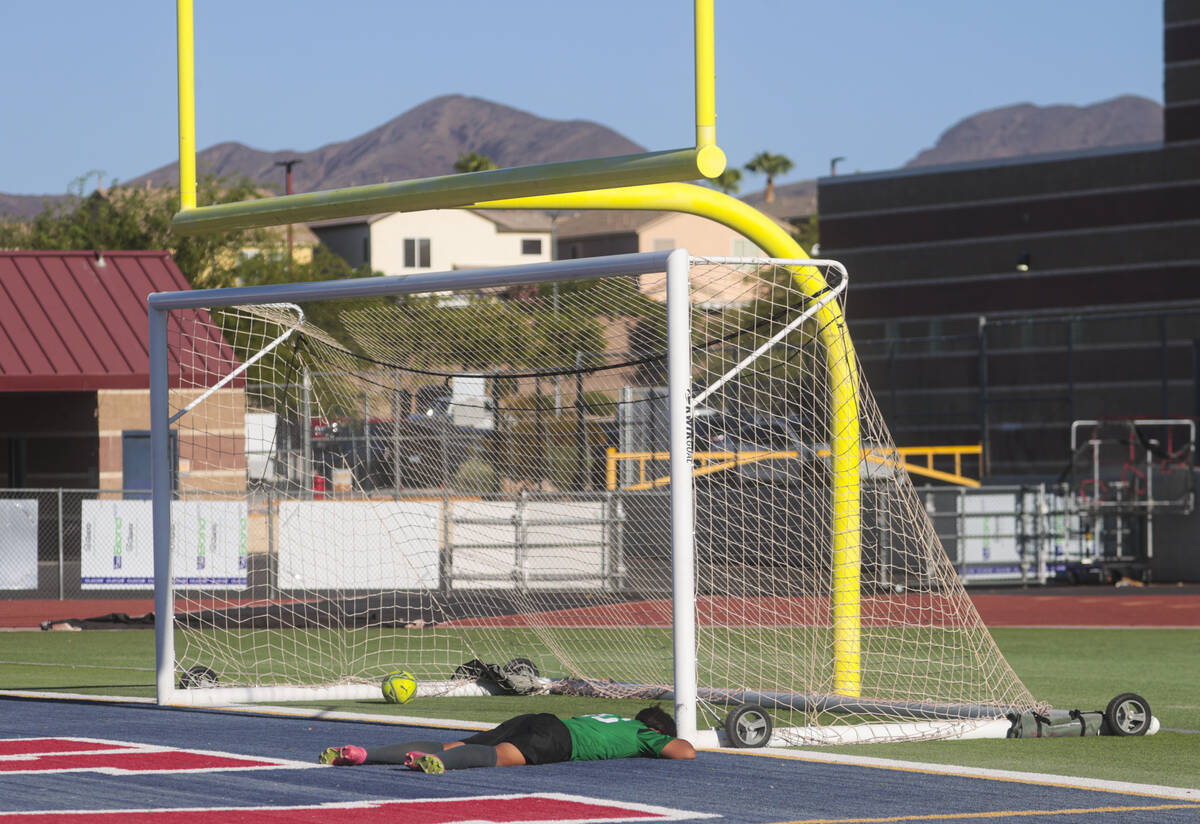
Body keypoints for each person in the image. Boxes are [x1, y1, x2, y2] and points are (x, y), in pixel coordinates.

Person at [318, 706, 696, 774]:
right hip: (559, 739)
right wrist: (661, 743)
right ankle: (435, 766)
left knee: (452, 743)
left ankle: (363, 753)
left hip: (539, 718)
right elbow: (686, 753)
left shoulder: (609, 719)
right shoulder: (642, 733)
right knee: (496, 756)